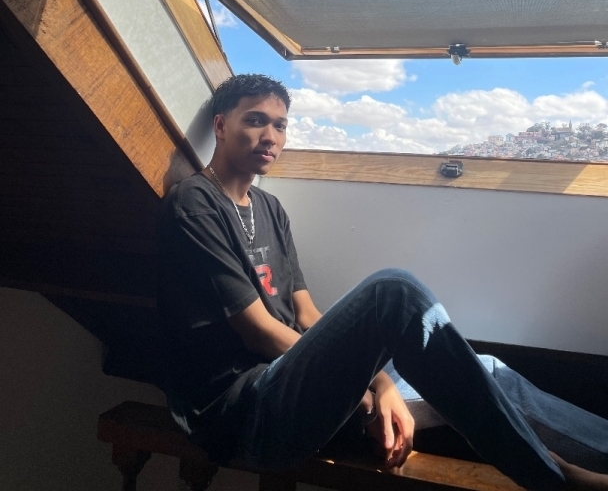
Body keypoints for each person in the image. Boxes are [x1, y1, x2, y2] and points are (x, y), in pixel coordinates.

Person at [157, 74, 608, 490]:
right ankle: (552, 480)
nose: (270, 136)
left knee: (488, 371)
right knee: (394, 291)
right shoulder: (194, 202)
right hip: (247, 414)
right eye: (255, 121)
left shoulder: (269, 208)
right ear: (221, 125)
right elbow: (258, 330)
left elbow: (305, 313)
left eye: (280, 125)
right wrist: (373, 384)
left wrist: (376, 382)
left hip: (296, 385)